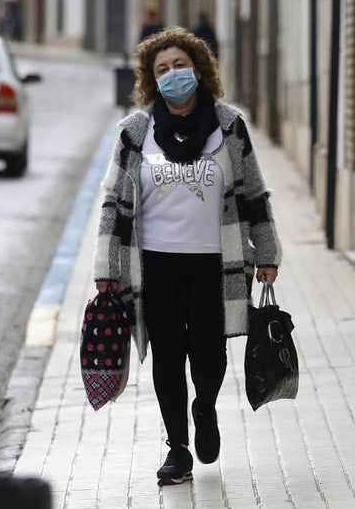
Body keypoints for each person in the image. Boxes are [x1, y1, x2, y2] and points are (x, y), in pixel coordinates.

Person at [93, 27, 282, 487]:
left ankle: (205, 408)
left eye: (179, 65)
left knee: (209, 352)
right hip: (155, 264)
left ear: (198, 69)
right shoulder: (135, 133)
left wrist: (267, 250)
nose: (172, 75)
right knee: (168, 356)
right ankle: (177, 448)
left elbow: (254, 193)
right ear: (150, 79)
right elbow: (114, 203)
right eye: (162, 70)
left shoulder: (229, 125)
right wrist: (107, 269)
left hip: (215, 264)